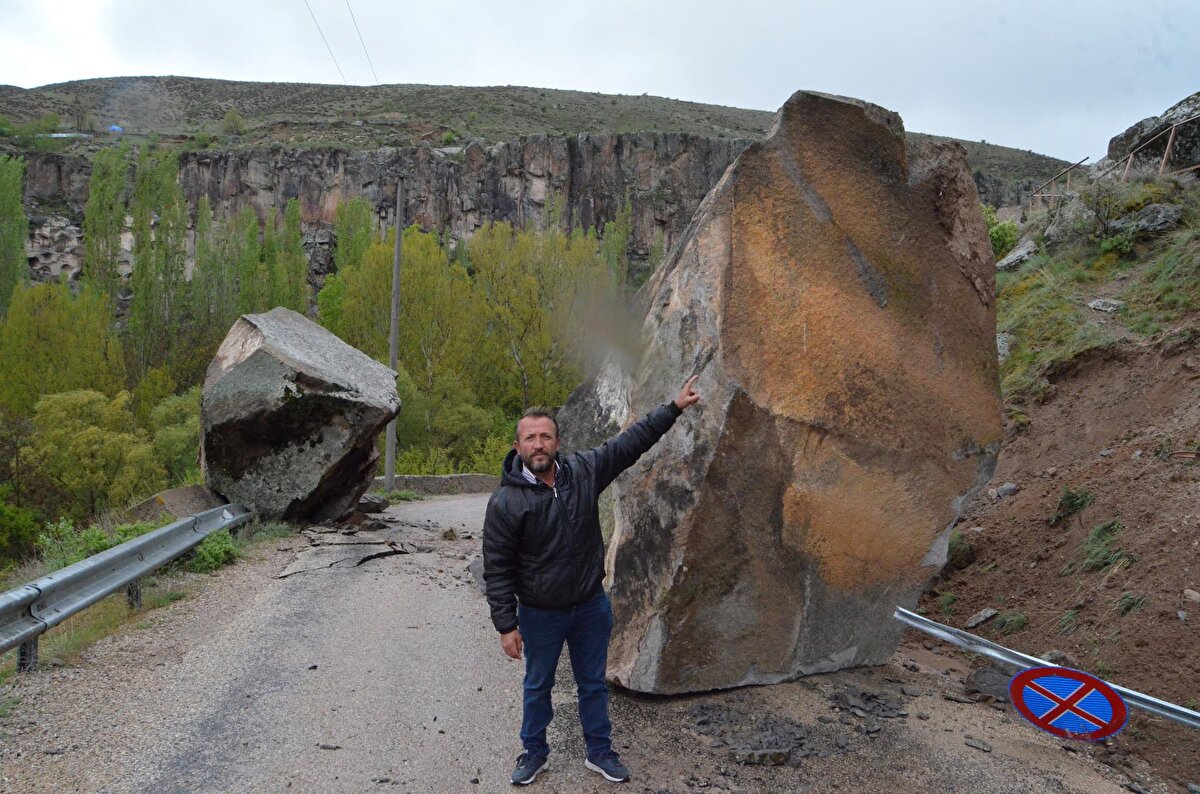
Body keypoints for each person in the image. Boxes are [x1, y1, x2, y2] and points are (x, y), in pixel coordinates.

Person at [483, 377, 701, 785]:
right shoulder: (505, 502)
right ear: (517, 446)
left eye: (545, 437)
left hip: (589, 606)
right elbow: (497, 567)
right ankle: (534, 752)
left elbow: (629, 444)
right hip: (540, 613)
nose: (538, 444)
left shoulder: (583, 471)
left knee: (593, 685)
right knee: (537, 686)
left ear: (558, 442)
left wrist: (673, 408)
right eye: (530, 438)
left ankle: (599, 751)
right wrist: (506, 625)